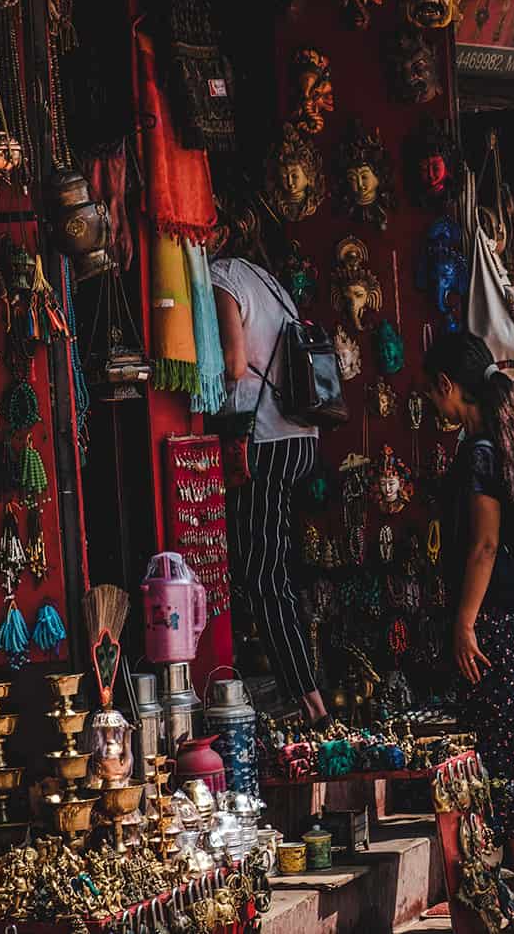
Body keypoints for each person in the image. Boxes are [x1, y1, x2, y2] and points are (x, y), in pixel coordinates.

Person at [424, 331, 514, 891]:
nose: (435, 407)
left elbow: (483, 545)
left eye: (433, 396)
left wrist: (463, 622)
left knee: (501, 732)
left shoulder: (481, 452)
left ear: (446, 387)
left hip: (497, 617)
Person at [210, 254, 328, 724]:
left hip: (265, 440)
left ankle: (305, 696)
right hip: (300, 438)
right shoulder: (269, 281)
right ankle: (303, 682)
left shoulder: (223, 277)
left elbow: (234, 365)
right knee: (275, 565)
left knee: (263, 575)